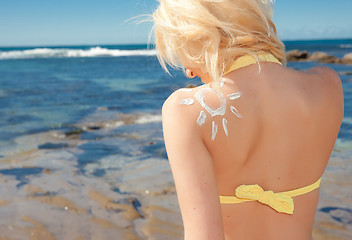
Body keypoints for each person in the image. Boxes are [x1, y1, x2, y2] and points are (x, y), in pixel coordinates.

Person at [153, 0, 344, 239]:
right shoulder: (328, 84)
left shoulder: (184, 110)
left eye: (183, 52)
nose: (188, 71)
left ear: (202, 39)